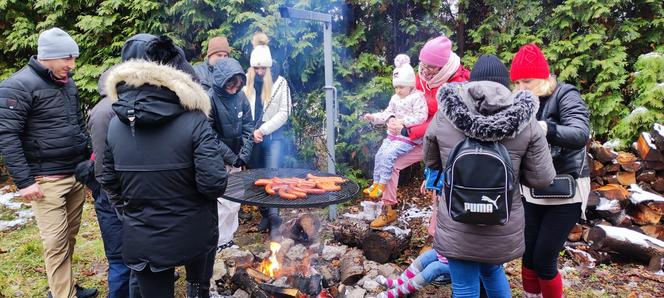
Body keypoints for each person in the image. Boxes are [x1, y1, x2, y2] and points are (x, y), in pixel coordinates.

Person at [100, 34, 228, 297]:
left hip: (143, 236)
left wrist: (133, 209)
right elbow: (213, 182)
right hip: (196, 232)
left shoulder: (115, 123)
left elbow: (108, 179)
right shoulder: (195, 119)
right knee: (198, 288)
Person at [424, 54, 556, 297]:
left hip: (457, 222)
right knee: (493, 273)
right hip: (500, 222)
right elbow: (542, 178)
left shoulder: (445, 114)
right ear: (505, 84)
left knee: (464, 287)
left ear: (471, 82)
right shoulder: (526, 120)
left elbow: (431, 162)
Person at [0, 27, 97, 298]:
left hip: (74, 175)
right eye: (67, 58)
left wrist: (87, 157)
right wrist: (24, 182)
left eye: (74, 59)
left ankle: (65, 286)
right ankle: (62, 294)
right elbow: (7, 136)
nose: (72, 65)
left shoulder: (68, 83)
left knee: (69, 238)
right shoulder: (17, 85)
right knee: (55, 243)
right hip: (45, 181)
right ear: (48, 56)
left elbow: (77, 123)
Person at [510, 44, 590, 298]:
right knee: (528, 253)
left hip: (567, 187)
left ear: (543, 78)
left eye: (528, 81)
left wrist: (545, 128)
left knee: (545, 258)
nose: (522, 87)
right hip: (532, 188)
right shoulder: (519, 101)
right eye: (518, 82)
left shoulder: (565, 94)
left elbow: (580, 134)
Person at [371, 35, 470, 228]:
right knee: (391, 162)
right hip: (418, 138)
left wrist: (408, 130)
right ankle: (388, 208)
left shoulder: (458, 84)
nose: (424, 71)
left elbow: (444, 121)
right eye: (422, 65)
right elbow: (402, 104)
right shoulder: (420, 78)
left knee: (438, 185)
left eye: (430, 67)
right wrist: (392, 120)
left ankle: (435, 235)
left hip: (446, 143)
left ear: (443, 66)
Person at [87, 68, 137, 298]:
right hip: (112, 195)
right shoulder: (103, 112)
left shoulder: (126, 106)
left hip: (126, 191)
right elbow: (101, 166)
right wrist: (115, 198)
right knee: (119, 258)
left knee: (132, 255)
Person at [244, 32, 291, 233]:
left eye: (263, 67)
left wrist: (263, 129)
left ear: (269, 66)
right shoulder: (246, 82)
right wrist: (250, 132)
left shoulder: (280, 83)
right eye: (257, 68)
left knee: (272, 177)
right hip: (253, 139)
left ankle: (274, 218)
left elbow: (284, 112)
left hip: (274, 138)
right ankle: (265, 215)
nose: (260, 71)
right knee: (256, 178)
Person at [362, 54, 427, 199]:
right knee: (379, 155)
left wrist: (403, 121)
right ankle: (376, 182)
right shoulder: (395, 98)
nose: (398, 90)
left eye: (401, 87)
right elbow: (388, 113)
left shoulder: (417, 97)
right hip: (392, 136)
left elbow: (421, 116)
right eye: (396, 87)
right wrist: (373, 117)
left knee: (388, 155)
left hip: (407, 138)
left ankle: (383, 185)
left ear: (410, 84)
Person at [208, 57, 255, 249]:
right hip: (219, 160)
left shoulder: (241, 97)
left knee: (235, 199)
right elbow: (209, 134)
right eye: (231, 86)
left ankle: (229, 238)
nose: (234, 89)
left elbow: (248, 127)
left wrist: (244, 154)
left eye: (237, 85)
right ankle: (217, 241)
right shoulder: (210, 98)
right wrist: (230, 157)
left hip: (237, 158)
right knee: (221, 202)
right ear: (222, 82)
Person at [374, 248, 450, 298]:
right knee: (426, 256)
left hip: (458, 263)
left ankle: (397, 292)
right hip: (447, 251)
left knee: (434, 268)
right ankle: (398, 283)